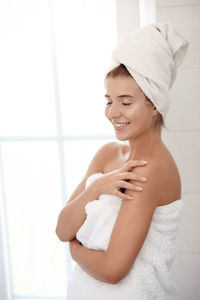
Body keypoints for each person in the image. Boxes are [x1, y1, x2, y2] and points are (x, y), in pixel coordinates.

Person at [56, 22, 189, 299]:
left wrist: (74, 249)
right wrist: (96, 188)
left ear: (155, 105)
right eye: (109, 100)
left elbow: (113, 270)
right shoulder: (108, 154)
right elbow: (62, 228)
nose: (112, 112)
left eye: (126, 102)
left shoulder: (150, 170)